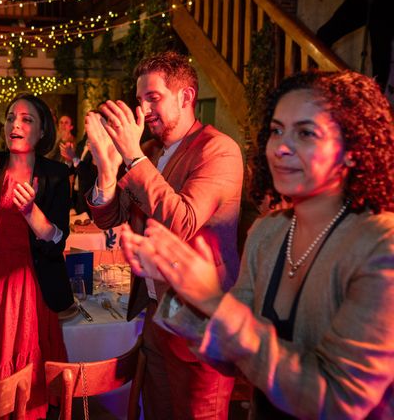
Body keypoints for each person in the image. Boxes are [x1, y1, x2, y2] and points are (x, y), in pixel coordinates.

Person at [123, 70, 394, 418]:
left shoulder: (379, 246)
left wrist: (212, 300)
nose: (281, 147)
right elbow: (229, 357)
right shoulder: (268, 234)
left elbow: (340, 401)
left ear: (353, 149)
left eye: (306, 133)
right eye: (277, 130)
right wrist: (182, 287)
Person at [85, 51, 243, 419]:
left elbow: (183, 221)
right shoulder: (151, 150)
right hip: (156, 316)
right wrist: (108, 170)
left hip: (201, 322)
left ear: (186, 97)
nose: (143, 109)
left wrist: (131, 156)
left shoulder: (218, 150)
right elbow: (109, 217)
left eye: (153, 98)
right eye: (140, 100)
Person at [0, 93, 72, 419]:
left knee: (29, 387)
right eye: (10, 118)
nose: (14, 125)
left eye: (26, 119)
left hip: (35, 292)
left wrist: (32, 212)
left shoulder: (56, 175)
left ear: (42, 129)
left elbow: (57, 239)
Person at [317, 0, 394, 92]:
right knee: (324, 36)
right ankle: (320, 83)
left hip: (384, 7)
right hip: (361, 1)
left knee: (380, 58)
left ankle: (374, 100)